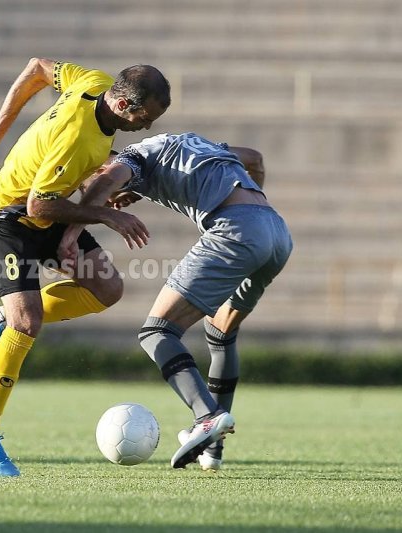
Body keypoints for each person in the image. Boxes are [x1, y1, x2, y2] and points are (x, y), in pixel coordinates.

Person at [0, 57, 170, 476]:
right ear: (125, 105)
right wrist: (109, 217)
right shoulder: (78, 136)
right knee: (27, 323)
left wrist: (0, 129)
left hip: (50, 212)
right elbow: (39, 204)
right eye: (146, 118)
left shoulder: (96, 82)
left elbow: (38, 67)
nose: (147, 128)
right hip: (9, 217)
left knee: (106, 290)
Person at [59, 131, 292, 470]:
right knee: (221, 333)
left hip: (236, 230)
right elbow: (253, 158)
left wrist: (72, 233)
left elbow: (109, 177)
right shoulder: (186, 144)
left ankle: (207, 417)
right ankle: (213, 450)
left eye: (87, 187)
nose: (103, 200)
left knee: (156, 332)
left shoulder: (130, 159)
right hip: (275, 230)